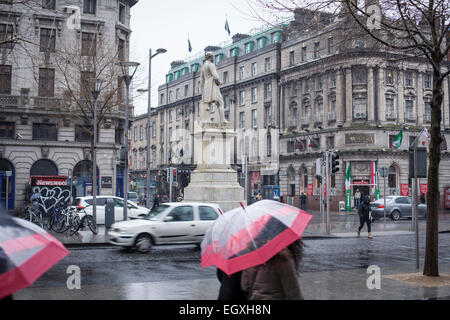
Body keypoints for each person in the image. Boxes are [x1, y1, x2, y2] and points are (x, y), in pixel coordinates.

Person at [200, 52, 228, 124]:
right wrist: (219, 82)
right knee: (220, 102)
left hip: (206, 87)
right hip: (213, 86)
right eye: (213, 56)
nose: (214, 58)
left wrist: (202, 91)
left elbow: (202, 81)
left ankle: (207, 120)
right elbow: (215, 76)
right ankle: (223, 120)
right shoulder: (211, 65)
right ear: (210, 57)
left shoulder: (203, 67)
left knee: (207, 103)